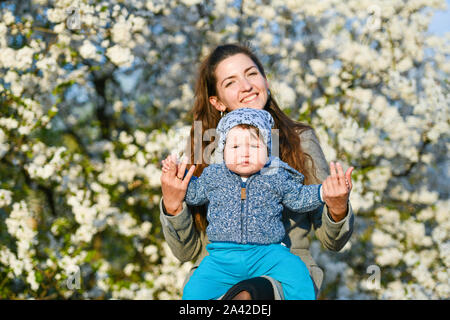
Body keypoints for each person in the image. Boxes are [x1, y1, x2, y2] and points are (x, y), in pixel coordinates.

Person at [159, 43, 355, 299]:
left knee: (250, 294)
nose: (246, 86)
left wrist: (336, 205)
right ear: (217, 101)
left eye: (251, 74)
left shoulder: (300, 140)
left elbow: (333, 241)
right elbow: (186, 252)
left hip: (276, 271)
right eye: (230, 82)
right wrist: (173, 205)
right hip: (220, 270)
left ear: (265, 80)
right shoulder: (202, 147)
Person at [164, 108, 339, 299]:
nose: (245, 154)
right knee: (193, 291)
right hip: (222, 257)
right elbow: (194, 194)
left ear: (267, 151)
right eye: (236, 147)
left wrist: (323, 192)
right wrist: (177, 176)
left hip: (268, 254)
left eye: (255, 147)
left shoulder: (276, 175)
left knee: (298, 276)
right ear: (223, 150)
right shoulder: (213, 175)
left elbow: (298, 197)